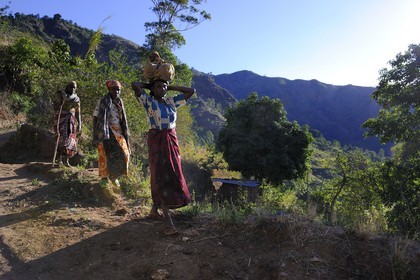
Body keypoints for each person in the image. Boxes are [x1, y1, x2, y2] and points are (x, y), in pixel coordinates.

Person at [131, 78, 196, 235]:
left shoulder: (171, 102)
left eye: (164, 86)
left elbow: (191, 91)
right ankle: (169, 223)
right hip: (157, 140)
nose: (162, 89)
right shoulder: (148, 101)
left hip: (171, 141)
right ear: (153, 89)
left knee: (173, 173)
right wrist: (150, 86)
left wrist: (170, 86)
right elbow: (135, 84)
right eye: (158, 87)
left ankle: (154, 210)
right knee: (160, 175)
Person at [92, 80, 131, 198]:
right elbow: (95, 117)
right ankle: (104, 179)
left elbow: (123, 119)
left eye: (118, 89)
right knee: (104, 154)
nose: (117, 91)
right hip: (105, 132)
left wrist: (125, 133)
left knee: (125, 154)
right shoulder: (103, 101)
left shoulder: (120, 102)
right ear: (109, 90)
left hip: (118, 132)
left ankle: (114, 177)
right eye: (114, 89)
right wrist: (97, 132)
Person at [53, 81, 82, 167]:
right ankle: (59, 160)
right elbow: (55, 106)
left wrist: (80, 123)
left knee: (70, 139)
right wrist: (60, 102)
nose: (72, 89)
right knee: (61, 138)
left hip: (71, 121)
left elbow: (78, 112)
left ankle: (66, 160)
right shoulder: (61, 95)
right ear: (67, 87)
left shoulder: (76, 99)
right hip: (61, 119)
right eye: (70, 87)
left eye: (74, 87)